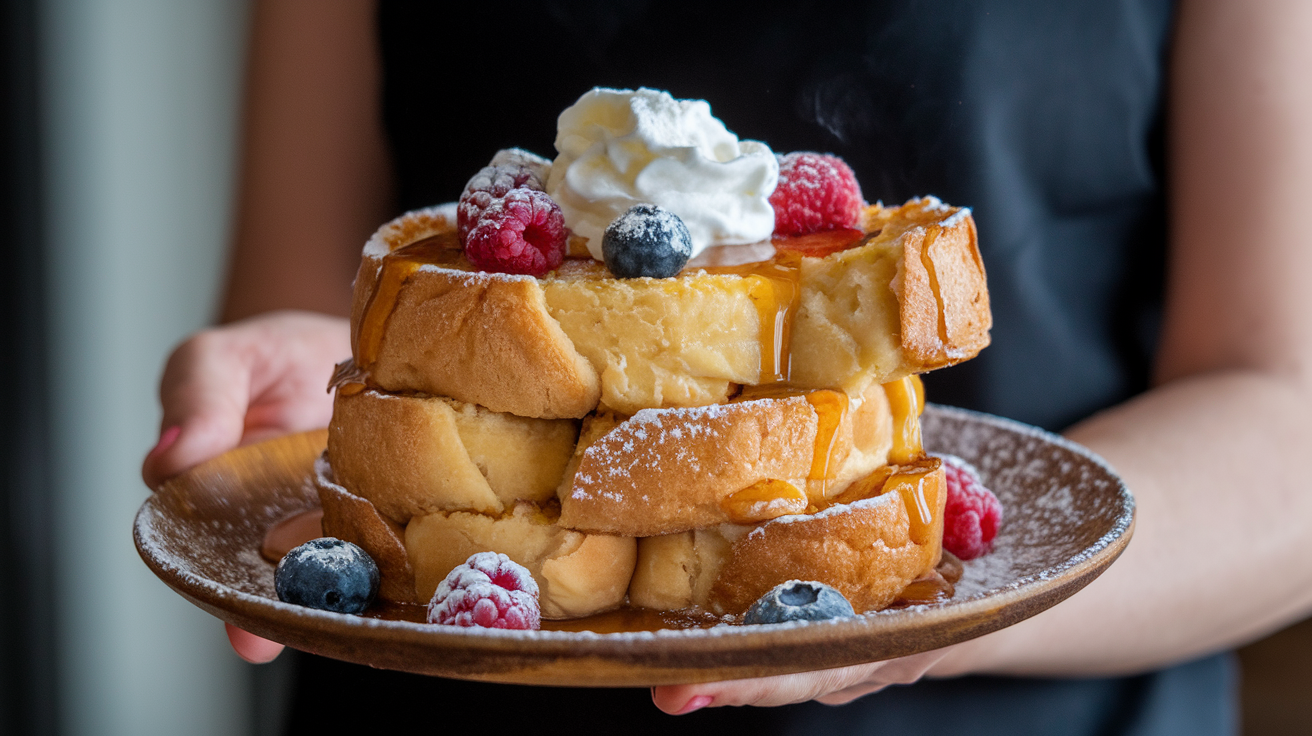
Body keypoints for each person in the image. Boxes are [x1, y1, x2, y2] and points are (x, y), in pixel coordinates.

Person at [142, 0, 1312, 733]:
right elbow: (315, 290)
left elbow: (1287, 420)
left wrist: (967, 603)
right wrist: (343, 407)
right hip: (437, 667)